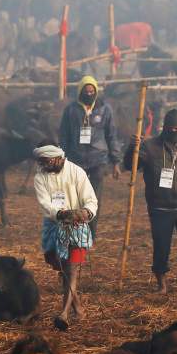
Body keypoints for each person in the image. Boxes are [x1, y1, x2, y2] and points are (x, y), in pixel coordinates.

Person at [124, 109, 177, 294]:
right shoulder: (150, 147)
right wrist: (132, 148)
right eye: (170, 128)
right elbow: (131, 166)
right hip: (160, 206)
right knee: (161, 246)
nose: (173, 131)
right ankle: (161, 283)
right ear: (164, 127)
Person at [33, 144, 98, 331]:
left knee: (73, 269)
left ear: (57, 158)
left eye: (46, 162)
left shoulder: (77, 172)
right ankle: (78, 307)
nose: (43, 166)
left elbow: (91, 200)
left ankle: (64, 313)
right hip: (53, 227)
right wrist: (61, 214)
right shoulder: (40, 177)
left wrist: (85, 212)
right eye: (41, 162)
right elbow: (45, 204)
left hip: (78, 229)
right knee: (61, 267)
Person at [57, 75, 123, 239]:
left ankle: (90, 234)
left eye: (92, 91)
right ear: (80, 91)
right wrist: (61, 158)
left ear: (96, 91)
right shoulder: (71, 110)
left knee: (93, 198)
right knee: (74, 197)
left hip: (98, 160)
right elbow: (63, 135)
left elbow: (111, 135)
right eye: (86, 91)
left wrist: (116, 162)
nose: (89, 93)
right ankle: (74, 230)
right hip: (75, 159)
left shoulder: (104, 109)